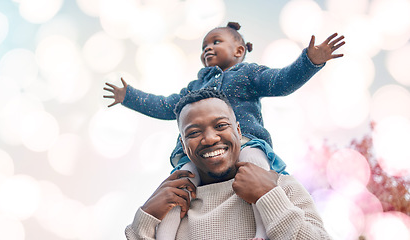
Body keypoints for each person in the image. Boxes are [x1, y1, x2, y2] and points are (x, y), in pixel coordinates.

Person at [103, 22, 345, 173]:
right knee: (179, 183)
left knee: (255, 167)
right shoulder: (196, 87)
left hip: (245, 141)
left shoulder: (248, 73)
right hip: (197, 151)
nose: (207, 48)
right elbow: (167, 106)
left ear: (239, 51)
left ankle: (263, 231)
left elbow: (280, 82)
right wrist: (130, 97)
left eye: (215, 42)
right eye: (203, 46)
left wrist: (310, 62)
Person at [124, 88, 332, 239]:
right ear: (183, 145)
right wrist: (147, 215)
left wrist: (268, 196)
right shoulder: (172, 208)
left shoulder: (281, 187)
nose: (210, 138)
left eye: (221, 125)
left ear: (239, 132)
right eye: (194, 133)